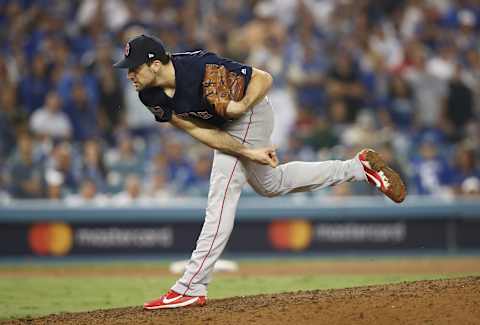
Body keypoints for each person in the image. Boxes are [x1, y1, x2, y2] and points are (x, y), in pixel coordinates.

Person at [113, 34, 407, 310]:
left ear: (155, 64)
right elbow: (197, 130)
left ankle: (191, 286)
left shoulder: (199, 67)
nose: (129, 75)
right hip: (224, 129)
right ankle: (357, 167)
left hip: (252, 112)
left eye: (134, 68)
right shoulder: (149, 95)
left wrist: (240, 106)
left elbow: (264, 78)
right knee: (271, 184)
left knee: (221, 194)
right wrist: (247, 152)